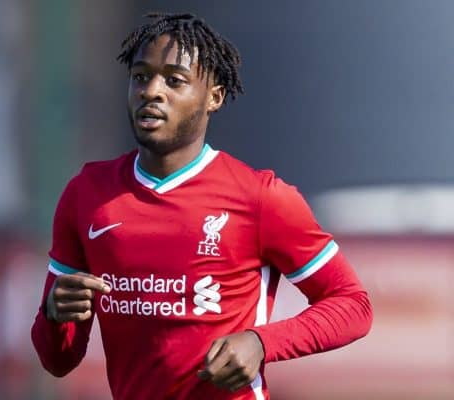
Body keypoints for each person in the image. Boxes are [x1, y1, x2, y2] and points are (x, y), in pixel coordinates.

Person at [31, 12, 373, 400]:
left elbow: (353, 305)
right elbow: (57, 361)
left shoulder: (260, 197)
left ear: (214, 96)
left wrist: (261, 342)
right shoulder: (87, 194)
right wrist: (53, 315)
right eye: (141, 76)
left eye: (174, 80)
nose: (152, 91)